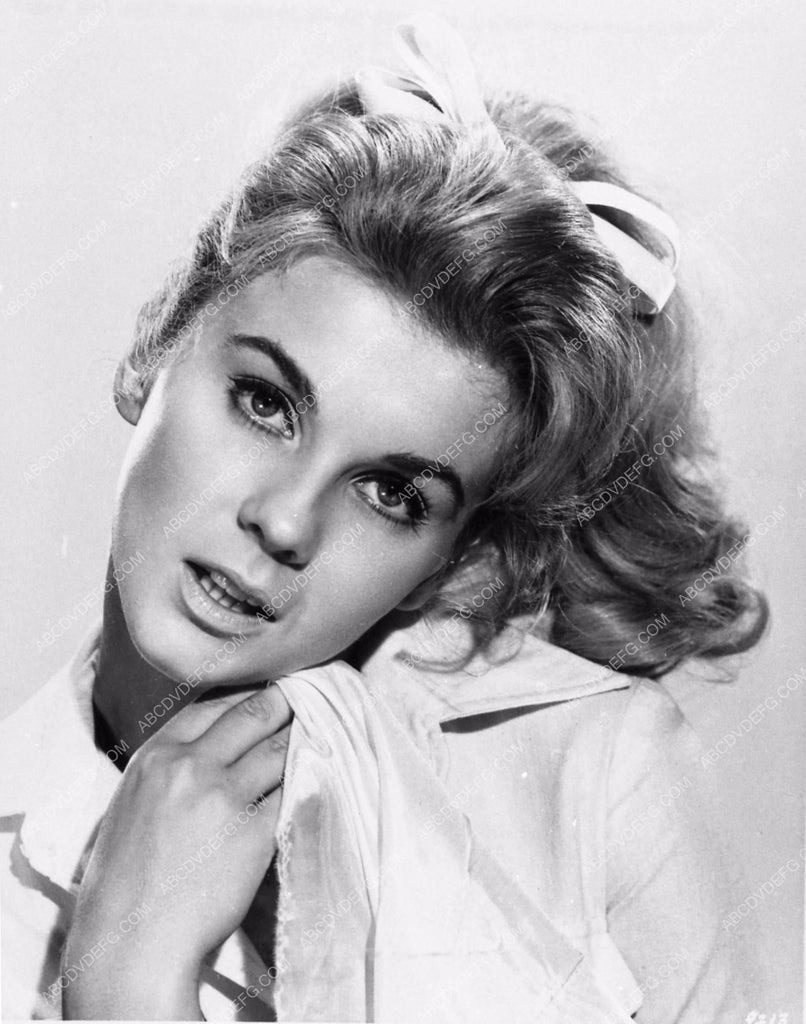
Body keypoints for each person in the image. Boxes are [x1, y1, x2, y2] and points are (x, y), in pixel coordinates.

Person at [0, 13, 770, 1022]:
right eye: (265, 403)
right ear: (159, 345)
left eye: (392, 493)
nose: (285, 522)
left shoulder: (597, 776)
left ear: (453, 560)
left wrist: (129, 990)